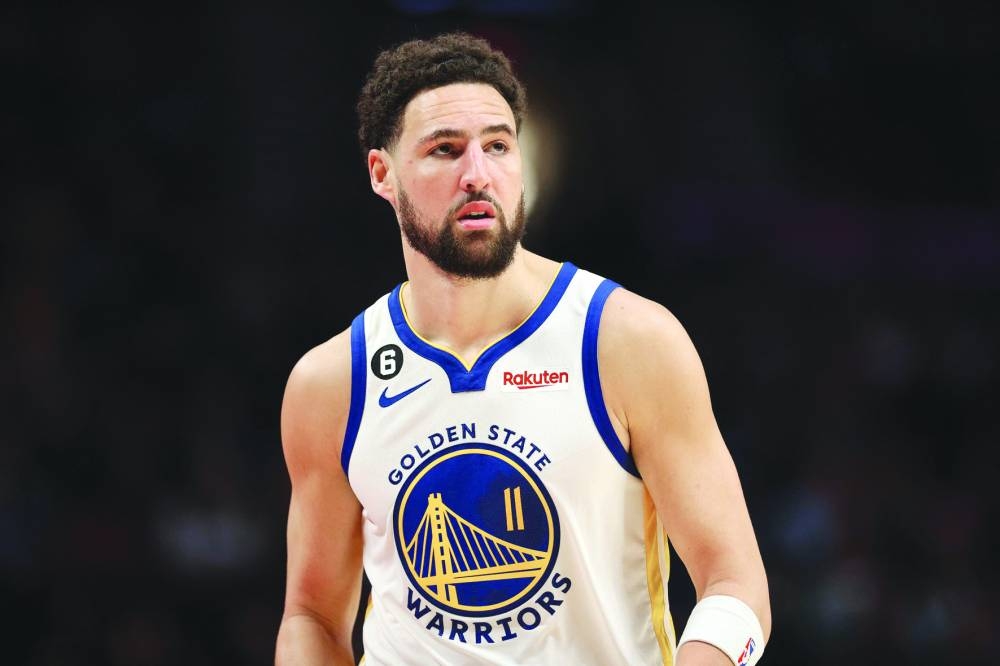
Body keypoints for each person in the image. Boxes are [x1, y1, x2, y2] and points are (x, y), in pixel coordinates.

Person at [275, 32, 770, 666]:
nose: (477, 174)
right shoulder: (331, 382)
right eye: (445, 150)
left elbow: (737, 586)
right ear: (383, 173)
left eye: (499, 146)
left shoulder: (626, 341)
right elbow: (311, 617)